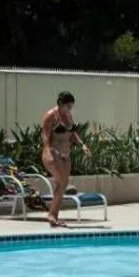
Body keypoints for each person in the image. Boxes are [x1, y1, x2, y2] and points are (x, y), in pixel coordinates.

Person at [41, 90, 91, 228]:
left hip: (65, 155)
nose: (70, 109)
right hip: (53, 153)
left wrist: (82, 145)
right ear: (60, 104)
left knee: (62, 184)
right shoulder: (51, 116)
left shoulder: (68, 115)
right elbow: (45, 136)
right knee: (62, 182)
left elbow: (72, 133)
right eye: (68, 106)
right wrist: (48, 152)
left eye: (71, 107)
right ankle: (51, 215)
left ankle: (54, 217)